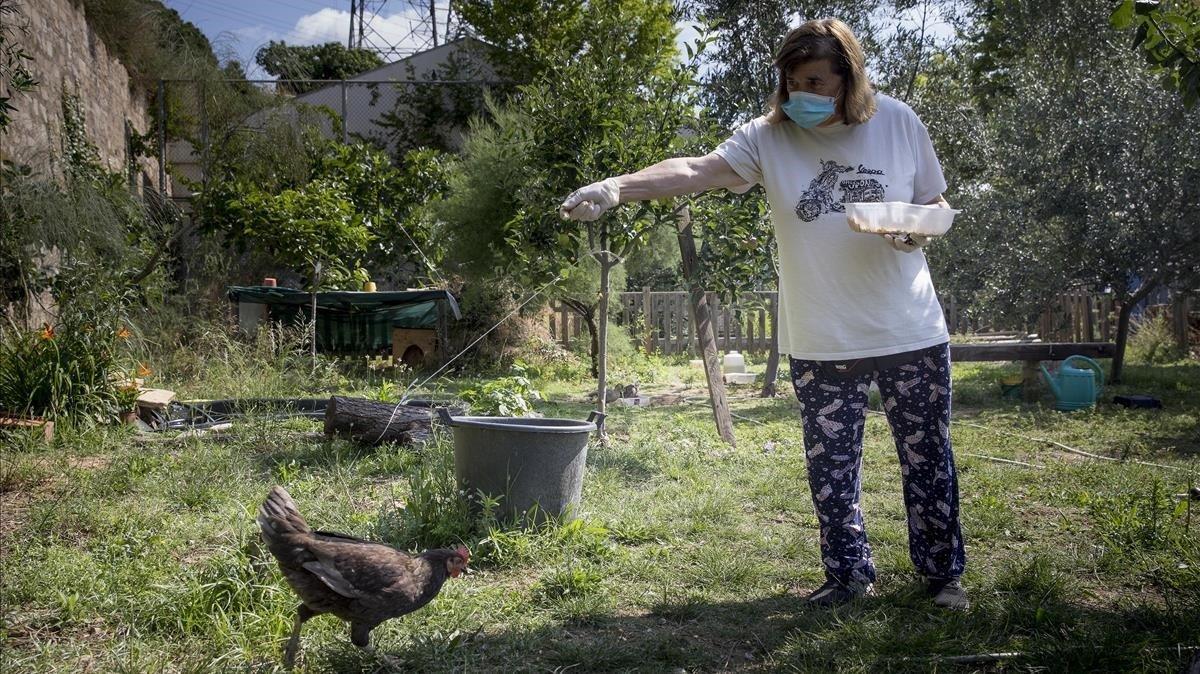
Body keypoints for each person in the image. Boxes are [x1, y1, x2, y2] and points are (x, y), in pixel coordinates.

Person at [559, 18, 968, 610]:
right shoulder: (767, 137)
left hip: (910, 328)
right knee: (832, 473)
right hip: (822, 336)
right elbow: (695, 170)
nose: (802, 93)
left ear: (849, 79)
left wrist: (915, 231)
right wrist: (617, 187)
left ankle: (943, 577)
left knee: (928, 456)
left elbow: (934, 203)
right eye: (793, 80)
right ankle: (848, 576)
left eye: (817, 81)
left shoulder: (899, 122)